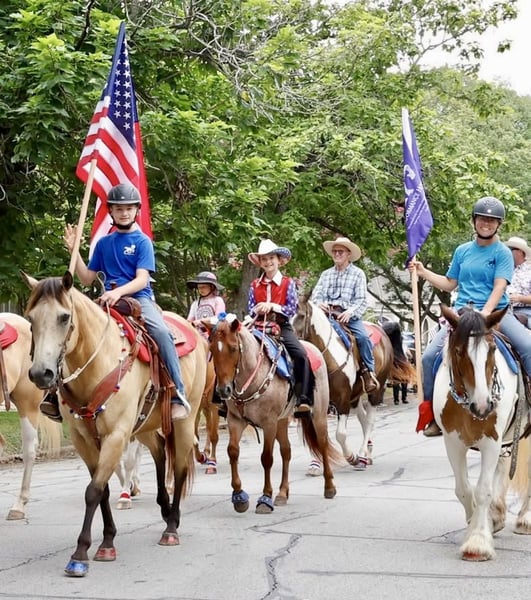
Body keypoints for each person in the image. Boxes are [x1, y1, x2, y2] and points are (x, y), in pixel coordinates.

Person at [60, 183, 190, 421]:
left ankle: (177, 394)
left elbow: (142, 279)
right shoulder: (104, 244)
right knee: (70, 327)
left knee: (162, 333)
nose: (124, 213)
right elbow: (87, 278)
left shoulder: (142, 242)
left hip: (138, 298)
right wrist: (74, 252)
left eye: (129, 208)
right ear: (110, 211)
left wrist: (118, 292)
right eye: (119, 209)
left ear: (136, 210)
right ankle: (57, 392)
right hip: (107, 299)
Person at [409, 196, 531, 437]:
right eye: (482, 219)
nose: (486, 223)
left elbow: (500, 286)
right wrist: (423, 272)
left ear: (498, 224)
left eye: (492, 220)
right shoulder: (462, 251)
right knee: (428, 357)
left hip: (494, 314)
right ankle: (432, 415)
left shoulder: (503, 253)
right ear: (474, 221)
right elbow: (450, 283)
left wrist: (486, 312)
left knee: (529, 346)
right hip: (463, 314)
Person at [247, 239, 314, 418]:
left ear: (278, 260)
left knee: (300, 354)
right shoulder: (254, 285)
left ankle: (304, 398)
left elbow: (291, 309)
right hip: (257, 325)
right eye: (264, 259)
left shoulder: (287, 283)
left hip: (280, 325)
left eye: (271, 258)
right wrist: (258, 309)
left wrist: (272, 306)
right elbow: (250, 308)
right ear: (260, 262)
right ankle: (224, 398)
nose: (268, 262)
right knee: (233, 346)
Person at [310, 236, 380, 394]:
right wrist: (319, 303)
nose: (336, 254)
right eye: (334, 251)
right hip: (327, 315)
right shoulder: (326, 274)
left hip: (347, 316)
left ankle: (368, 372)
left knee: (363, 338)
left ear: (349, 254)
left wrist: (350, 312)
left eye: (340, 251)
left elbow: (361, 300)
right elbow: (316, 295)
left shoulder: (358, 274)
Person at [505, 236, 531, 329]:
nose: (506, 251)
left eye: (510, 249)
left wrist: (520, 298)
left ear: (520, 251)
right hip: (502, 311)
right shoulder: (503, 269)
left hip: (526, 311)